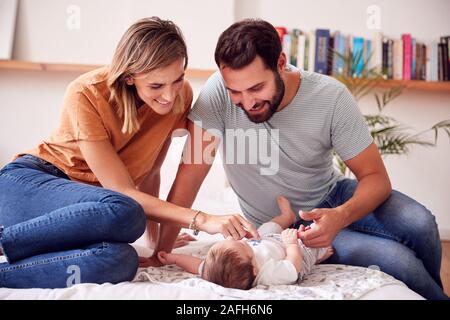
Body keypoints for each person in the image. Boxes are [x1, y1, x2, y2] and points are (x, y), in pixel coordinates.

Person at [156, 19, 448, 299]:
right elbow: (190, 176)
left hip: (333, 195)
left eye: (257, 88)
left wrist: (341, 216)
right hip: (284, 230)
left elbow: (375, 179)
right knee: (399, 261)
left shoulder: (330, 97)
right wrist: (161, 251)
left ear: (281, 64)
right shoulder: (217, 95)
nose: (247, 102)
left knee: (420, 223)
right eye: (236, 91)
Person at [0, 17, 258, 289]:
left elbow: (151, 172)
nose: (169, 96)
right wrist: (202, 219)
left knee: (121, 260)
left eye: (177, 79)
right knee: (126, 210)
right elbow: (123, 192)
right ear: (130, 77)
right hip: (29, 184)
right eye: (156, 86)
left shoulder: (180, 95)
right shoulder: (86, 93)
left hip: (88, 213)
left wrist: (159, 248)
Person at [158, 196, 333, 289]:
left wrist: (173, 258)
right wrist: (292, 244)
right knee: (311, 242)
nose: (243, 241)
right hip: (291, 252)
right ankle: (320, 255)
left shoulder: (215, 269)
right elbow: (292, 268)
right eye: (243, 245)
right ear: (255, 269)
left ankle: (287, 217)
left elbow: (196, 265)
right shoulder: (268, 275)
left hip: (266, 241)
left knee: (267, 228)